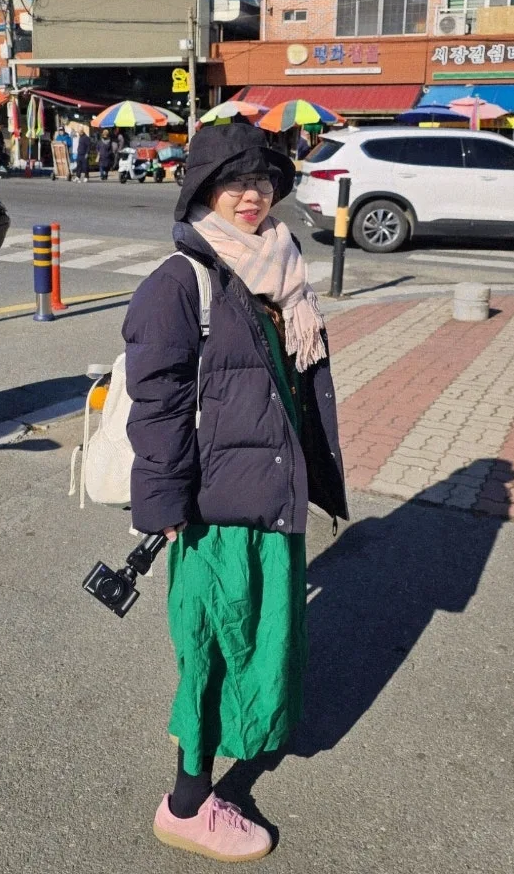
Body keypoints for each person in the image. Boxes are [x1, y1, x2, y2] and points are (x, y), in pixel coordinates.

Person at [122, 123, 348, 862]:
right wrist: (163, 506)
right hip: (216, 509)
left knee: (262, 644)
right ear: (203, 188)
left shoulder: (279, 263)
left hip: (273, 496)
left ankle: (230, 749)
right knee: (214, 650)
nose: (252, 195)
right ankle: (187, 804)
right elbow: (155, 406)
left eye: (264, 180)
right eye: (234, 181)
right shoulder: (179, 281)